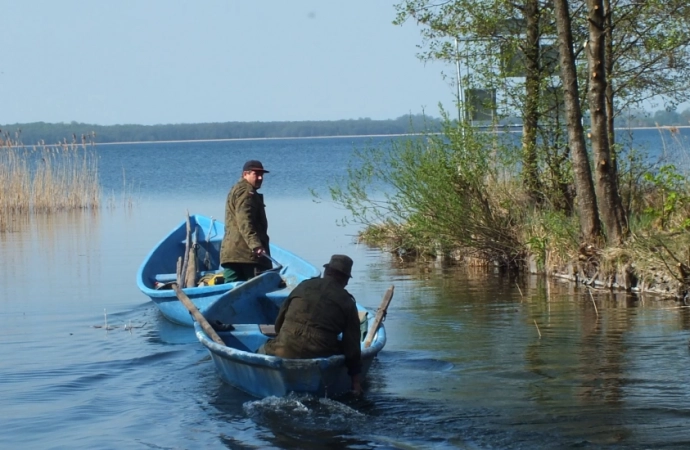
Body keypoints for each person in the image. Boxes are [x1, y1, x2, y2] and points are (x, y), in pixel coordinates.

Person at [259, 254, 363, 395]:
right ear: (345, 279)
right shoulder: (348, 302)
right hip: (320, 354)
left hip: (283, 350)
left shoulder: (303, 286)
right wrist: (355, 382)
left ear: (327, 271)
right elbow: (352, 346)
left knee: (261, 350)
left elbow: (279, 325)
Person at [219, 160, 272, 283]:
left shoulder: (237, 189)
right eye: (256, 174)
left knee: (231, 292)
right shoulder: (247, 192)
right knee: (253, 289)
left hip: (230, 253)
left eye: (262, 175)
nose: (260, 178)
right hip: (247, 255)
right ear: (245, 174)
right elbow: (245, 221)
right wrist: (256, 245)